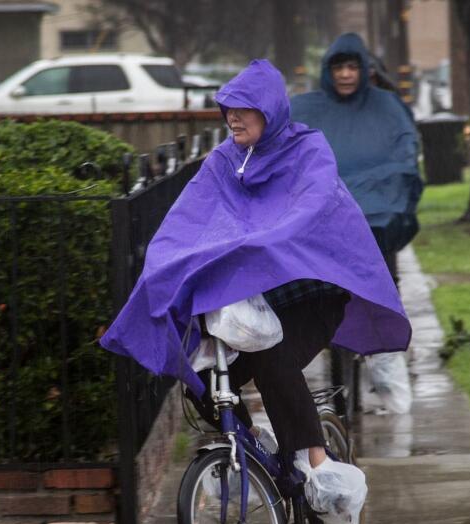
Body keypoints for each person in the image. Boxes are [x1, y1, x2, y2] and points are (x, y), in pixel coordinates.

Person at [99, 60, 410, 470]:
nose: (232, 117)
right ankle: (251, 448)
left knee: (271, 358)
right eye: (228, 108)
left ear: (270, 111)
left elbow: (309, 209)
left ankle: (317, 464)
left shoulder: (308, 151)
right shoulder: (225, 160)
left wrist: (255, 243)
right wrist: (165, 263)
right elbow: (186, 218)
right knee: (202, 381)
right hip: (251, 306)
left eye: (243, 109)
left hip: (312, 296)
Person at [290, 33, 423, 281]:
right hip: (322, 232)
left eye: (352, 67)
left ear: (364, 69)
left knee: (377, 301)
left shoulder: (387, 107)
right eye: (338, 67)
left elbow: (405, 155)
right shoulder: (305, 109)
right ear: (327, 70)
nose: (345, 74)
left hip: (376, 230)